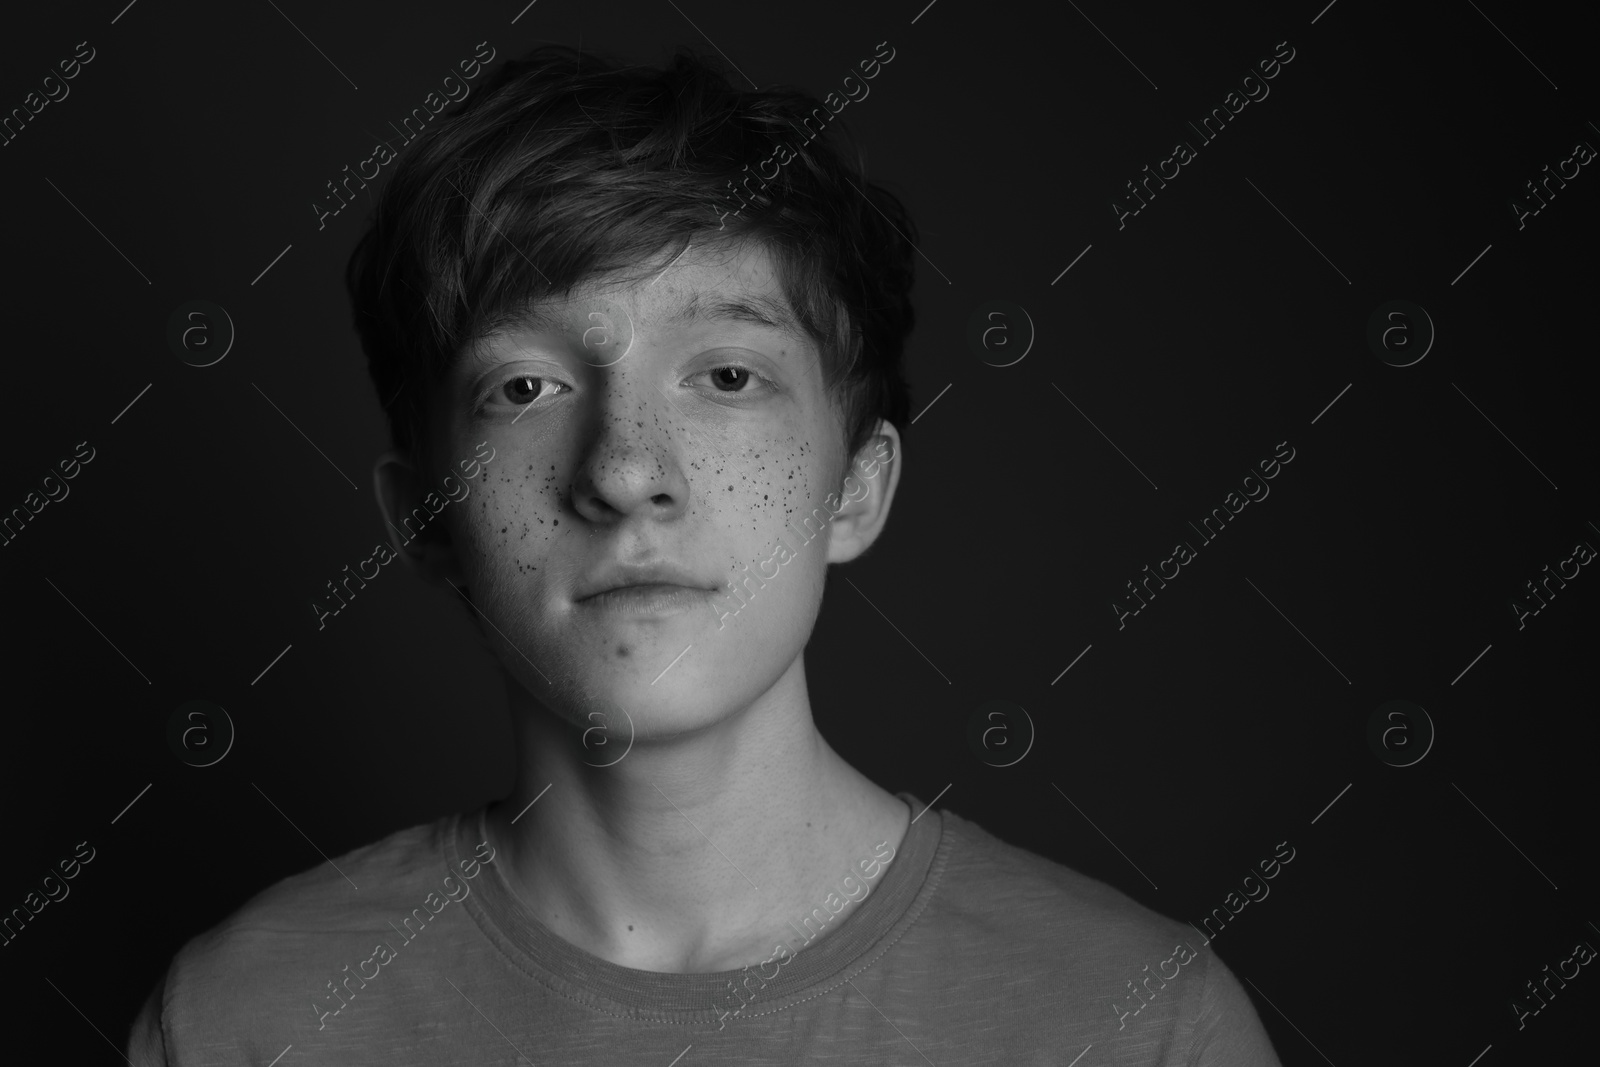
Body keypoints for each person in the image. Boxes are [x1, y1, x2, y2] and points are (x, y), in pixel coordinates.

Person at [127, 44, 1281, 1065]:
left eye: (727, 375)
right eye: (526, 386)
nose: (627, 468)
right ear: (427, 518)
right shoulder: (244, 1020)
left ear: (856, 487)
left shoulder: (1135, 1024)